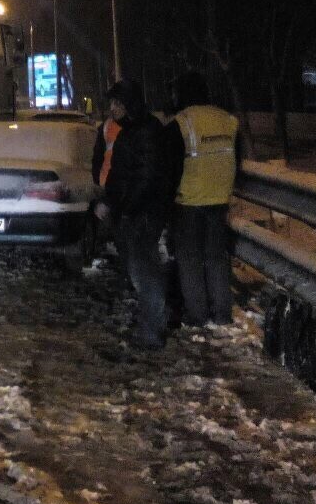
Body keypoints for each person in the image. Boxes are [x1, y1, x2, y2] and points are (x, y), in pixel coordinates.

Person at [95, 79, 175, 350]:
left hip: (144, 212)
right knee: (138, 269)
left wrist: (127, 208)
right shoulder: (130, 131)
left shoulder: (145, 131)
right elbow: (120, 174)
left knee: (145, 271)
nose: (112, 108)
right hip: (133, 210)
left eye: (117, 103)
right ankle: (151, 324)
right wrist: (111, 202)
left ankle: (152, 333)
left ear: (129, 104)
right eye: (111, 103)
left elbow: (146, 176)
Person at [165, 70, 240, 326]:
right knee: (217, 259)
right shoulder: (228, 120)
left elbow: (172, 167)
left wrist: (167, 203)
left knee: (190, 260)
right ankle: (222, 314)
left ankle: (197, 315)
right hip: (219, 200)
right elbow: (236, 159)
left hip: (188, 201)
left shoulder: (181, 122)